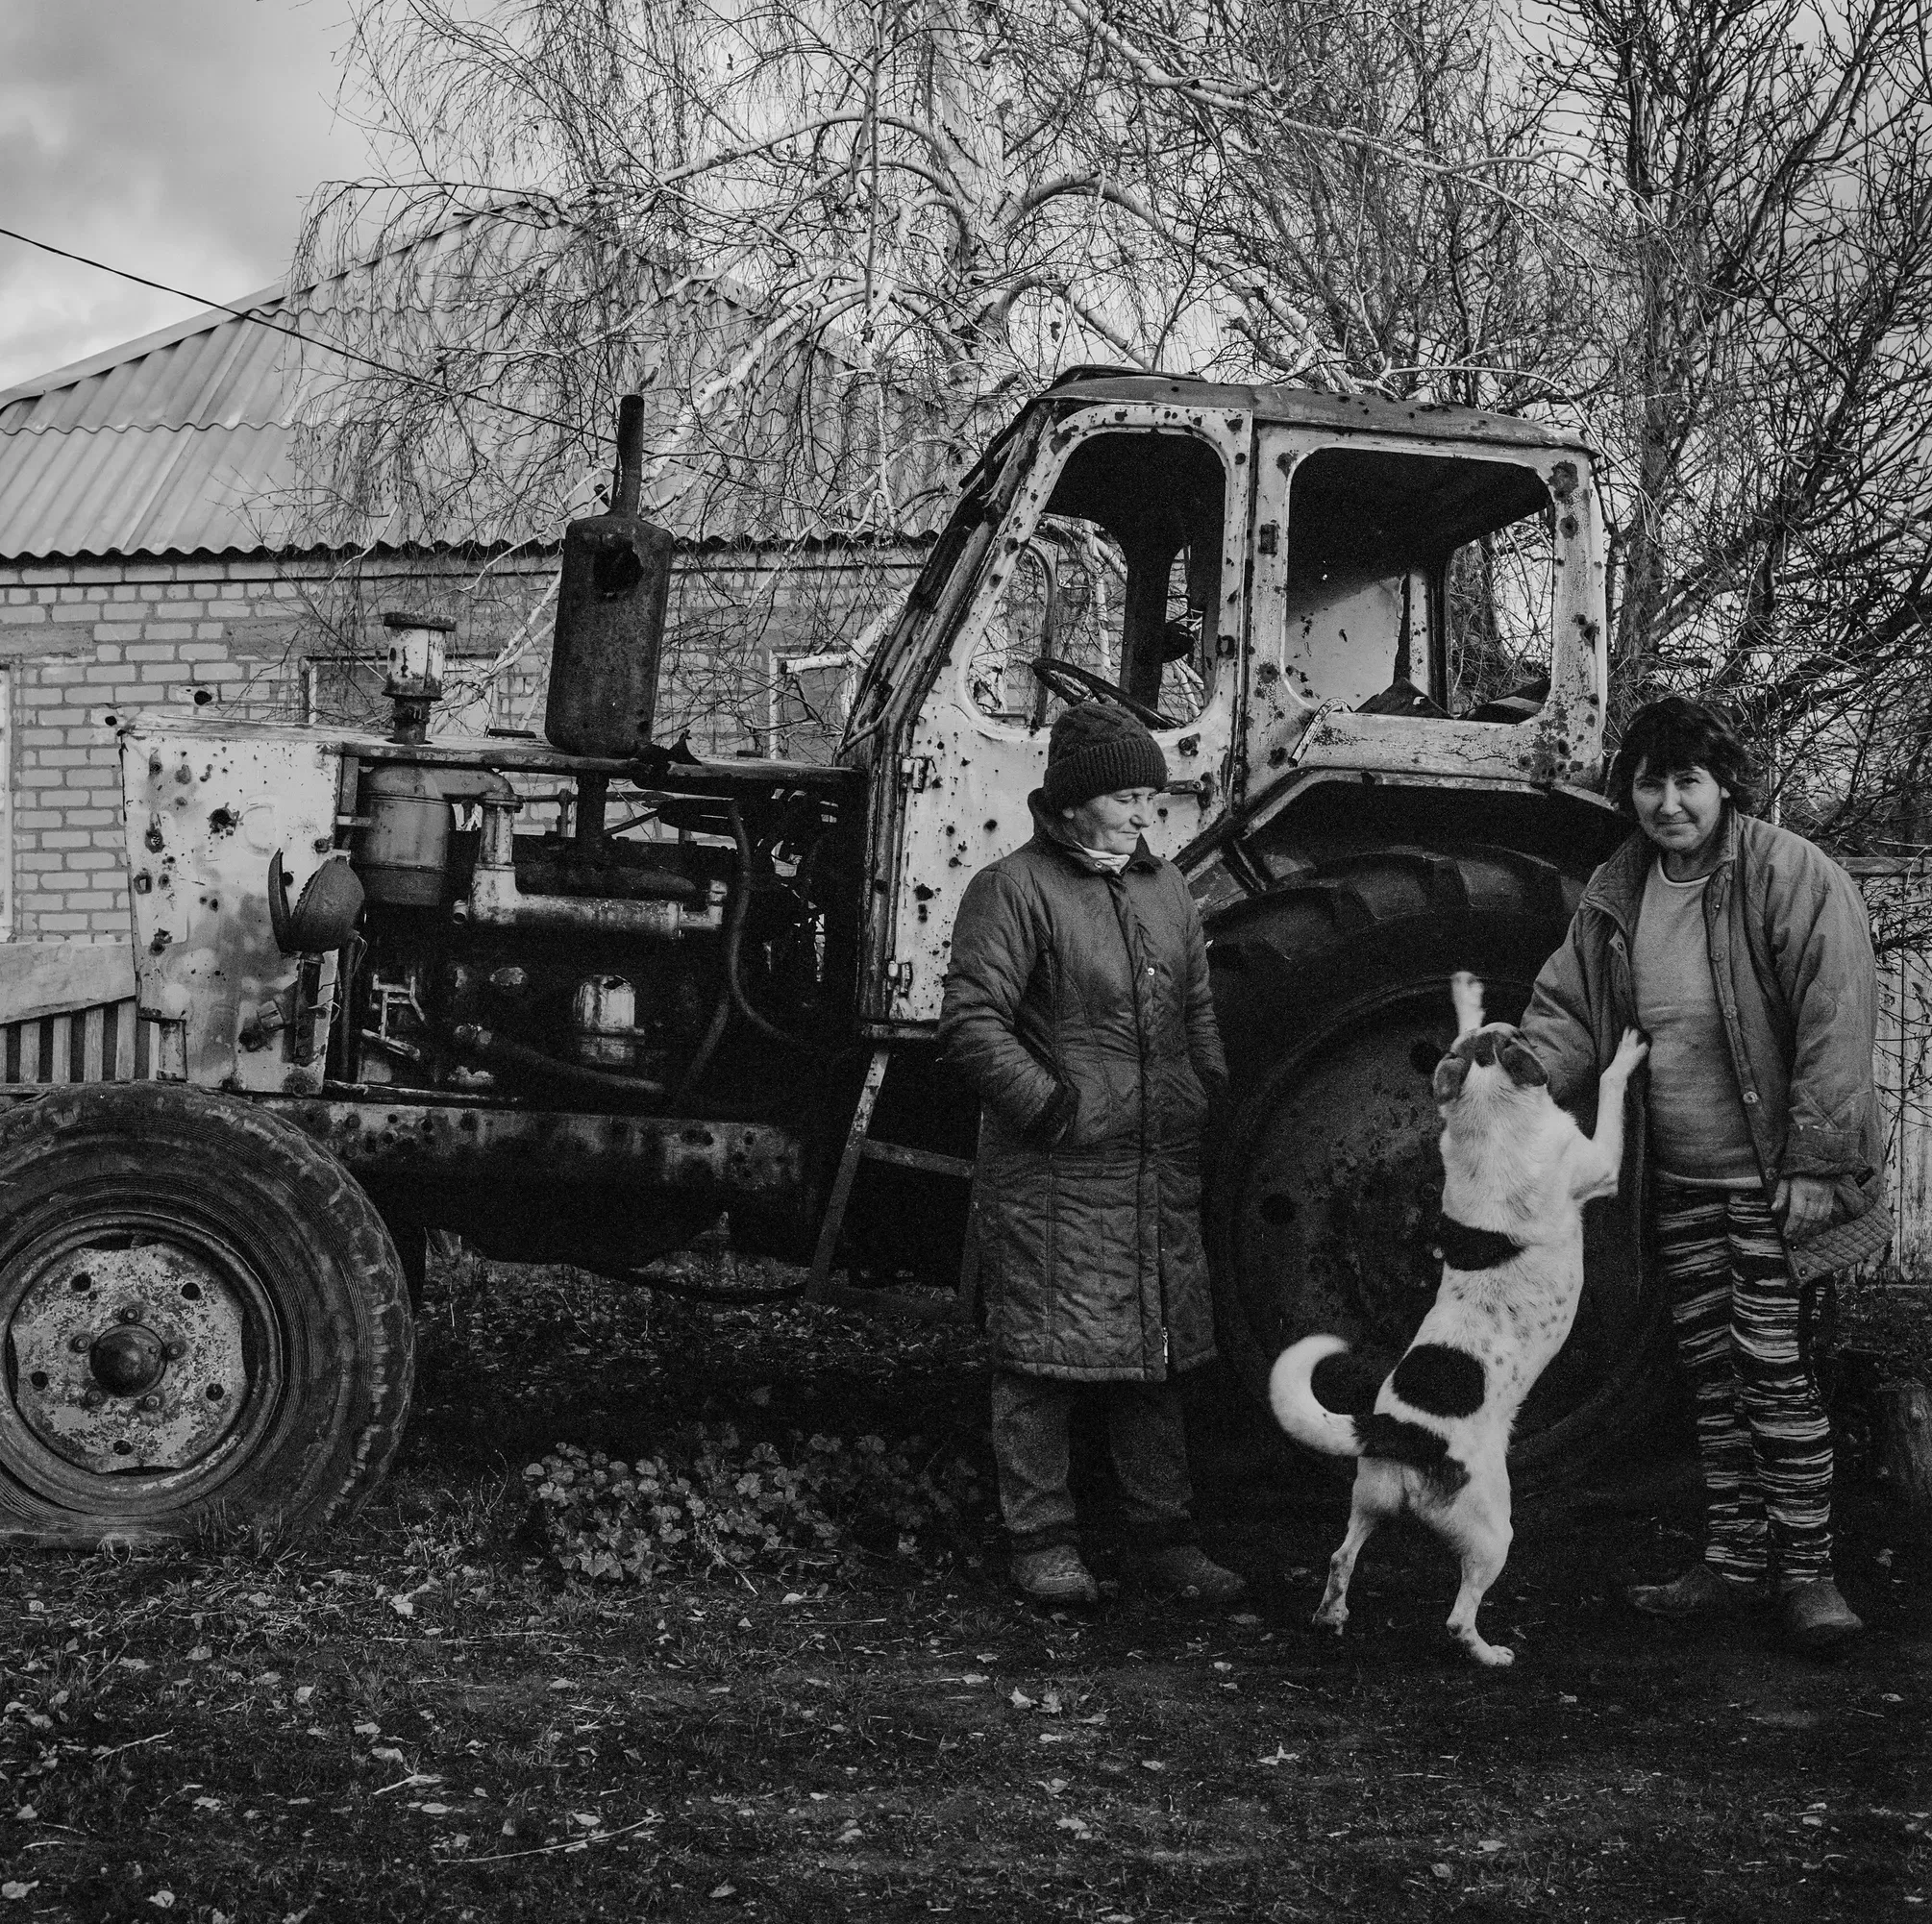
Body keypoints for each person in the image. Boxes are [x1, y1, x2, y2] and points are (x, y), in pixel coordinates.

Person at [1523, 695, 1889, 1649]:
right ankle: (1732, 1562)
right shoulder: (1622, 886)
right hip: (1680, 1180)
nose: (1669, 802)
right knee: (1712, 1375)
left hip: (1778, 1184)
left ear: (1726, 784)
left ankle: (1810, 1577)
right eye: (1650, 781)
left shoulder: (1791, 875)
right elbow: (1571, 1002)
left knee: (1774, 1370)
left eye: (1688, 780)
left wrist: (1815, 1168)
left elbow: (1835, 1024)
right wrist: (1519, 1072)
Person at [938, 702, 1245, 1607]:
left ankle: (1163, 1538)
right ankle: (1041, 1541)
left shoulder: (1166, 889)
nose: (1145, 810)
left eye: (1149, 791)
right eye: (1124, 793)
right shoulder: (1012, 889)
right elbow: (972, 1024)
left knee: (1152, 1353)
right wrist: (1053, 1108)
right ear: (1072, 804)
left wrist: (1204, 1085)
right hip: (1057, 1169)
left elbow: (1194, 1005)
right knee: (1039, 1358)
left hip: (1154, 1164)